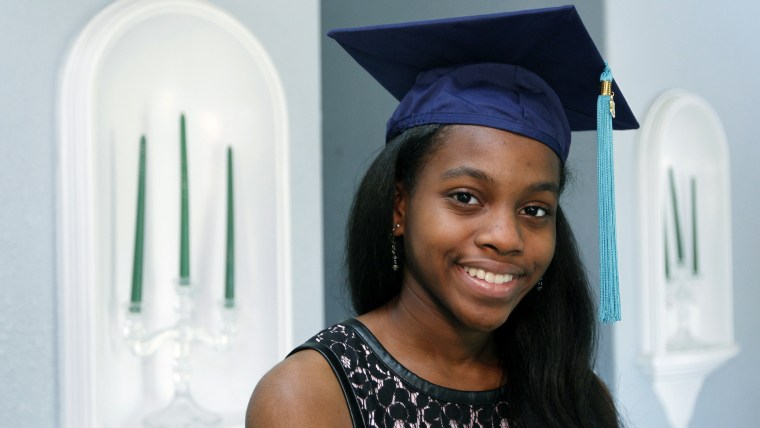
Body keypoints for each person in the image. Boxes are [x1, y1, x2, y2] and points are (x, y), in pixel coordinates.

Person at [246, 5, 638, 427]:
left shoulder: (572, 395)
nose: (507, 237)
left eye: (534, 209)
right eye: (466, 197)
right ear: (400, 207)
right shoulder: (310, 396)